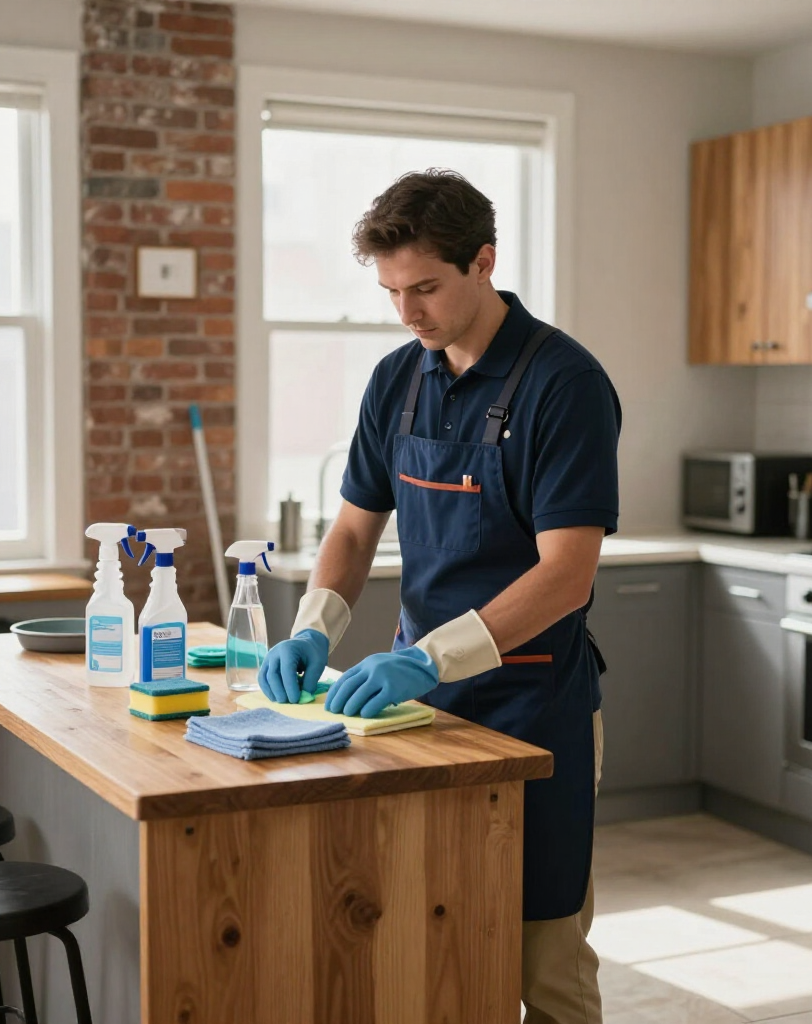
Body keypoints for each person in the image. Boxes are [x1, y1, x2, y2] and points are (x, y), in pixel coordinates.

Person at [258, 168, 621, 1024]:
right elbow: (352, 532)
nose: (407, 312)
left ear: (483, 261)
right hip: (418, 718)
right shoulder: (397, 380)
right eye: (390, 291)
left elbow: (567, 573)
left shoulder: (563, 384)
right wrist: (316, 627)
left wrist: (426, 657)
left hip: (534, 709)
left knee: (546, 961)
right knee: (434, 946)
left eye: (424, 287)